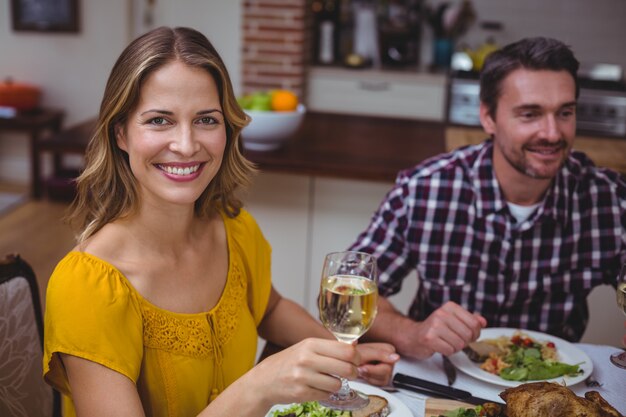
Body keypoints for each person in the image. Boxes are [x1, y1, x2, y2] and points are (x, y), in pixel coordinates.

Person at [42, 26, 398, 417]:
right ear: (121, 134)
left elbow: (270, 309)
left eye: (206, 120)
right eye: (160, 120)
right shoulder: (87, 287)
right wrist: (257, 388)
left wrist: (349, 356)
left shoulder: (235, 230)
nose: (186, 144)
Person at [350, 36, 626, 360]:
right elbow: (351, 293)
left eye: (565, 113)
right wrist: (411, 333)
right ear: (488, 118)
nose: (552, 133)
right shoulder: (425, 189)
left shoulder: (608, 198)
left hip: (556, 387)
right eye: (529, 114)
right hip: (442, 378)